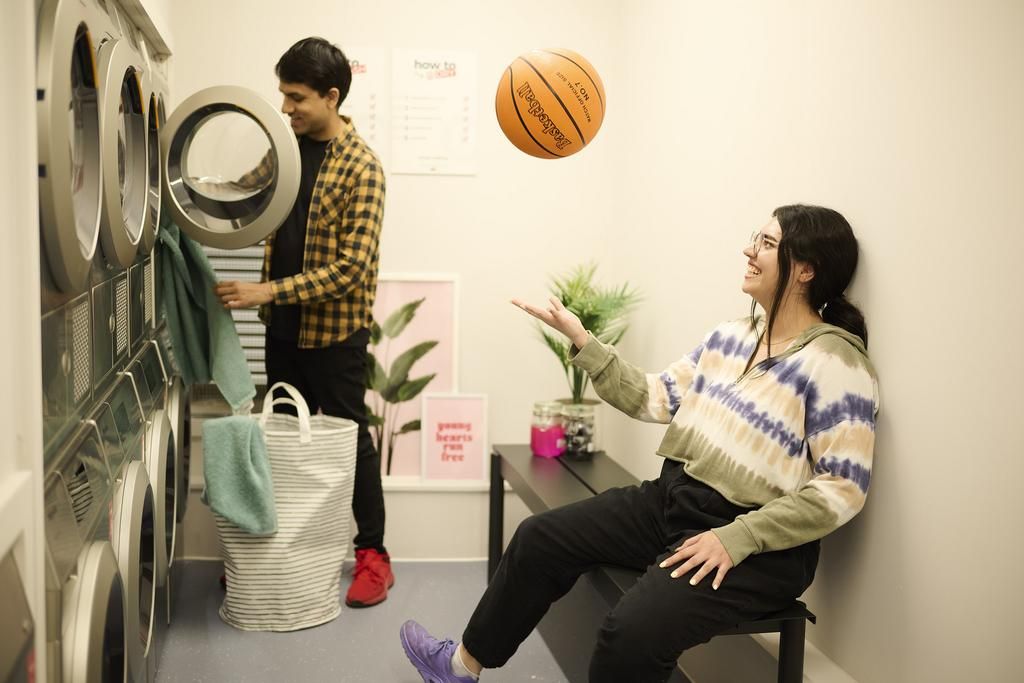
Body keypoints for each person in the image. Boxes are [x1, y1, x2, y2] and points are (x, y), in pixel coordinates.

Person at [400, 204, 879, 682]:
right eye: (756, 238)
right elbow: (656, 396)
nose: (748, 251)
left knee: (630, 633)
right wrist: (583, 342)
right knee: (537, 539)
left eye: (767, 244)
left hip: (756, 545)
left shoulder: (836, 362)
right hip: (673, 502)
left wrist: (738, 538)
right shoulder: (732, 336)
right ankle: (459, 668)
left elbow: (843, 488)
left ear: (806, 269)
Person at [214, 37, 393, 608]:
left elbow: (351, 268)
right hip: (283, 328)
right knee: (284, 442)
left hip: (336, 335)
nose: (286, 107)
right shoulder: (284, 149)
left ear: (331, 97)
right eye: (283, 95)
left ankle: (374, 557)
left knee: (350, 444)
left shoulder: (362, 167)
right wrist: (185, 196)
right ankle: (277, 552)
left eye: (296, 98)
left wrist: (267, 290)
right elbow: (245, 193)